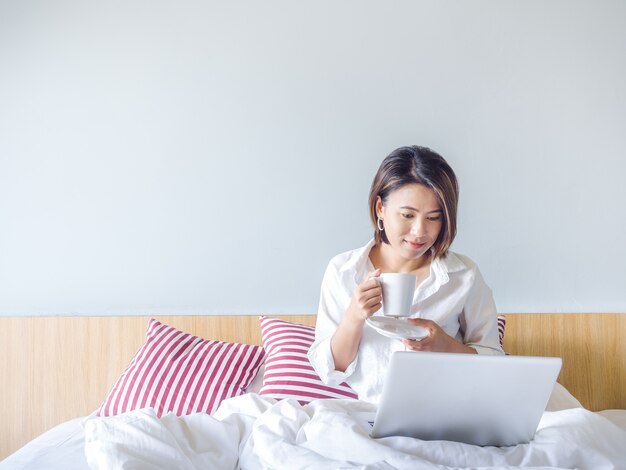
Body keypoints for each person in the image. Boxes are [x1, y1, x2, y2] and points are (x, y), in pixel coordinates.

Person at [307, 145, 504, 404]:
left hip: (447, 412)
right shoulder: (344, 271)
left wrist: (445, 345)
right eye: (408, 215)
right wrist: (355, 316)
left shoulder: (463, 275)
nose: (419, 231)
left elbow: (495, 365)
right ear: (380, 208)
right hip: (369, 415)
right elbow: (330, 371)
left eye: (433, 218)